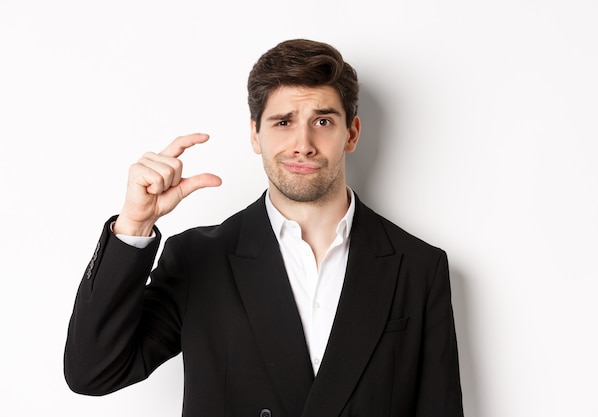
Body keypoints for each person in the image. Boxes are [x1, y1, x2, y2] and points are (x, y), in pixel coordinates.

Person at [64, 39, 464, 417]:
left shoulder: (418, 267)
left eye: (322, 120)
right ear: (255, 134)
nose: (302, 143)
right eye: (283, 122)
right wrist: (134, 224)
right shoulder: (198, 259)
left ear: (352, 133)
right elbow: (94, 372)